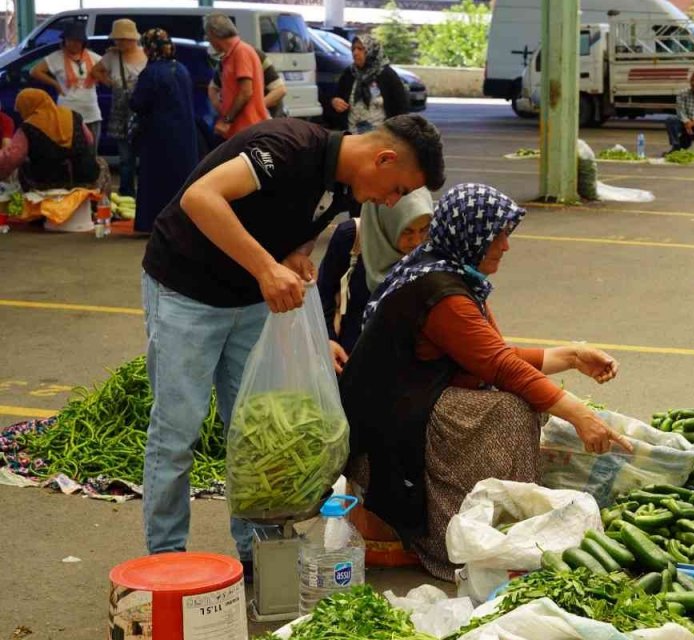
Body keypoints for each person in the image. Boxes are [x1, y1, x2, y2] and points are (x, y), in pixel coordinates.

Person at [140, 113, 445, 573]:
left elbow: (304, 222)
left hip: (249, 301)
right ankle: (165, 562)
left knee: (261, 432)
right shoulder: (287, 147)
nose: (391, 201)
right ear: (383, 158)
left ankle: (261, 553)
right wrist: (266, 268)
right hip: (186, 291)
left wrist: (295, 256)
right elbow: (200, 198)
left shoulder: (347, 186)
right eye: (398, 188)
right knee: (177, 431)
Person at [338, 183, 631, 578]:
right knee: (509, 411)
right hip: (387, 426)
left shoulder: (448, 274)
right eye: (499, 235)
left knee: (517, 401)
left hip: (409, 403)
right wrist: (580, 415)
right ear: (471, 235)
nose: (506, 246)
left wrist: (573, 357)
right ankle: (464, 531)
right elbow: (501, 366)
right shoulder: (442, 294)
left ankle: (496, 522)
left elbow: (489, 354)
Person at [318, 188, 433, 371]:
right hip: (347, 362)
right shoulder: (351, 237)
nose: (417, 241)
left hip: (402, 372)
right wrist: (328, 340)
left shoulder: (430, 252)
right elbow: (322, 294)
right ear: (386, 222)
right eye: (407, 231)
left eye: (424, 230)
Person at [129, 28, 199, 235]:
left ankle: (152, 224)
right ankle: (182, 222)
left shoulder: (151, 73)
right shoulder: (182, 69)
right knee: (180, 178)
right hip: (185, 134)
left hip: (158, 135)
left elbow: (138, 103)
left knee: (155, 180)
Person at [0, 89, 100, 190]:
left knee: (22, 168)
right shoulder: (73, 115)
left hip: (47, 184)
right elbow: (90, 139)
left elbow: (11, 158)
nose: (21, 114)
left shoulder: (28, 127)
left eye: (21, 109)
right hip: (85, 177)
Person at [91, 19, 146, 198]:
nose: (119, 43)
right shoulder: (112, 56)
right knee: (125, 158)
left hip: (142, 113)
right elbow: (95, 71)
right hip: (121, 115)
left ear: (132, 39)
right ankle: (126, 193)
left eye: (122, 39)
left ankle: (145, 193)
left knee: (145, 156)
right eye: (117, 39)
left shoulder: (146, 55)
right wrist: (110, 83)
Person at [30, 24, 103, 145]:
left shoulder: (92, 56)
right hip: (67, 113)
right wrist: (55, 84)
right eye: (71, 40)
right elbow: (34, 71)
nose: (74, 44)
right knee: (68, 151)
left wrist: (100, 77)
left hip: (91, 113)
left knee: (91, 153)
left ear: (83, 42)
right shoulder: (56, 57)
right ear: (65, 41)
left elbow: (109, 67)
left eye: (78, 41)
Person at [204, 14, 268, 139]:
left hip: (247, 129)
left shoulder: (241, 52)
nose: (208, 40)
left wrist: (227, 120)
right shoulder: (231, 54)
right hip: (240, 130)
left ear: (213, 33)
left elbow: (246, 92)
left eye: (208, 36)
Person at [333, 35, 410, 134]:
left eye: (360, 49)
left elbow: (401, 108)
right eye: (353, 49)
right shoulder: (349, 73)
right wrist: (335, 102)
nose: (355, 53)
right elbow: (337, 97)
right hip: (352, 136)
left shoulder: (387, 75)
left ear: (372, 51)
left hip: (380, 136)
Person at [213, 46, 287, 119]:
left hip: (269, 117)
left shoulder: (256, 55)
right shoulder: (224, 61)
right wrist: (223, 111)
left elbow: (280, 90)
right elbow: (212, 88)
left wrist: (255, 108)